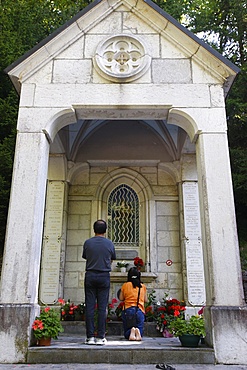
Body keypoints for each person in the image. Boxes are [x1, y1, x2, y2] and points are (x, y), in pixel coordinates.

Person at [82, 219, 116, 345]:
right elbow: (112, 258)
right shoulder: (109, 243)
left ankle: (90, 337)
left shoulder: (88, 243)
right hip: (104, 275)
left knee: (90, 307)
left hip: (90, 274)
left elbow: (86, 256)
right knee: (102, 308)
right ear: (106, 230)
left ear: (94, 229)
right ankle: (100, 336)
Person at [119, 267, 148, 341]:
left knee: (126, 333)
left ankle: (131, 331)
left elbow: (121, 298)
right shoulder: (142, 286)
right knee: (140, 329)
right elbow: (146, 300)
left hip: (127, 310)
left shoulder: (125, 285)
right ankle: (137, 332)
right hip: (139, 310)